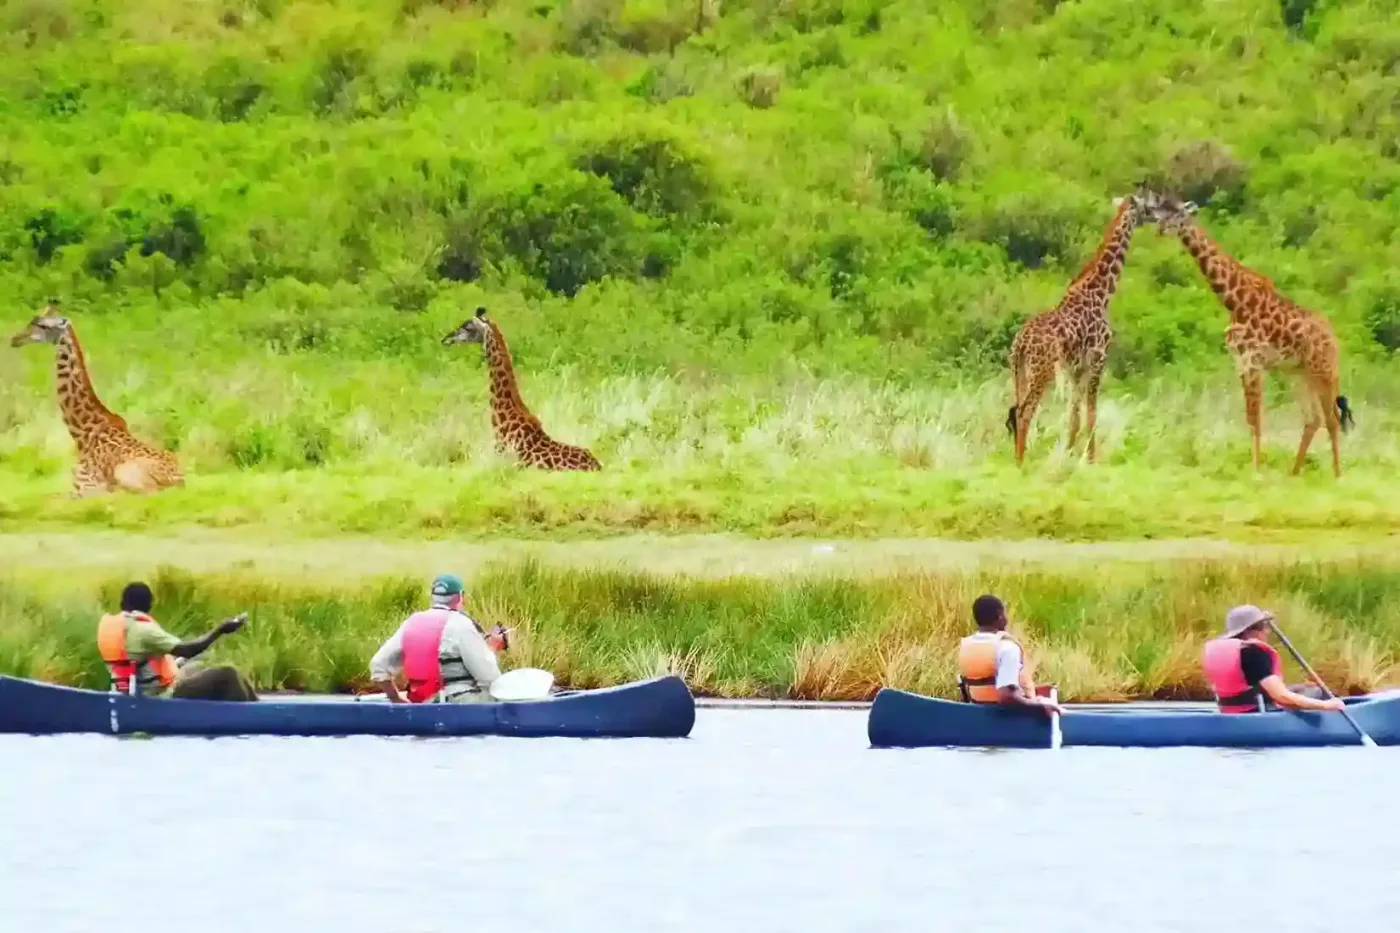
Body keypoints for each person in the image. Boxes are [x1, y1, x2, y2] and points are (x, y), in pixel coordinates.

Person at [98, 582, 257, 701]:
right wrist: (220, 630)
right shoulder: (143, 630)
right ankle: (253, 715)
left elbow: (139, 660)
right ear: (148, 606)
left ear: (122, 604)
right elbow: (189, 650)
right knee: (227, 674)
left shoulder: (111, 626)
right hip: (161, 697)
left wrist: (175, 662)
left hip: (132, 691)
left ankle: (258, 706)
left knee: (197, 666)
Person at [369, 573, 508, 704]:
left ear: (433, 597)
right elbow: (490, 678)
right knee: (502, 693)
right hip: (458, 703)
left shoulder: (412, 622)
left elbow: (378, 666)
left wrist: (396, 699)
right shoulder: (462, 624)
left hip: (421, 702)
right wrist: (492, 649)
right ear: (461, 597)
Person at [1203, 605, 1345, 714]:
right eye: (1263, 627)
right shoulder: (1253, 652)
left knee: (1304, 688)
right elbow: (1282, 697)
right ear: (1249, 631)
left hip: (1230, 712)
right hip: (1258, 712)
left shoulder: (1227, 649)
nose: (1267, 631)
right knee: (1318, 692)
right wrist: (1327, 705)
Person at [957, 594, 1062, 716]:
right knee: (1056, 709)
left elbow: (988, 683)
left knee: (1045, 694)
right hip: (1009, 717)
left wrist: (1036, 692)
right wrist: (1039, 705)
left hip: (980, 712)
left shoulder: (967, 644)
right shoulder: (1007, 648)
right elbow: (1007, 696)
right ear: (1000, 616)